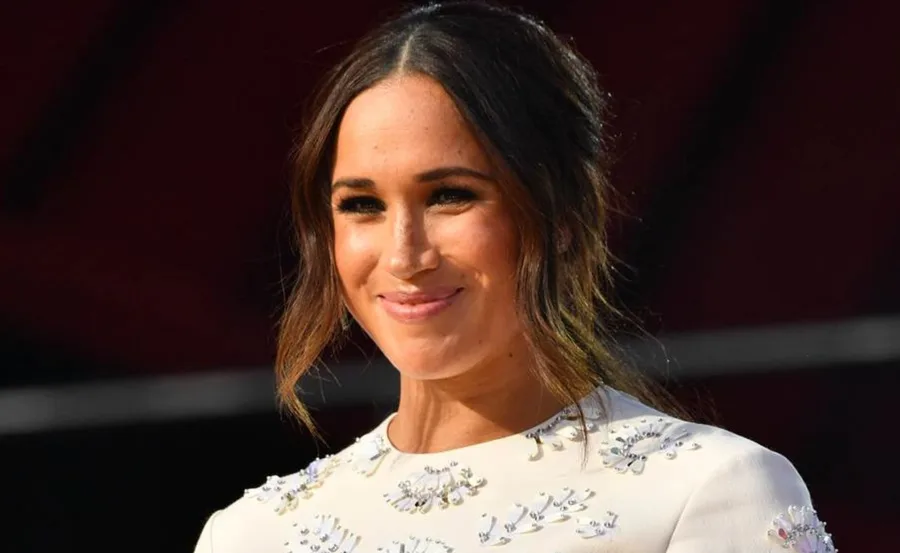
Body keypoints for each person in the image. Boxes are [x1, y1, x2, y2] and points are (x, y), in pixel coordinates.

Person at [193, 2, 835, 552]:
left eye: (449, 196)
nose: (404, 254)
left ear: (559, 213)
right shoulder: (252, 535)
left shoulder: (708, 492)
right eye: (362, 205)